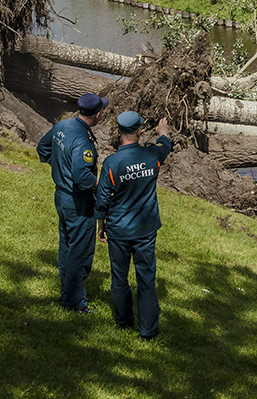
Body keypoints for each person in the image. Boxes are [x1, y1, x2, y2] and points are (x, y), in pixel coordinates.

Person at [96, 111, 172, 340]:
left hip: (118, 229)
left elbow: (102, 199)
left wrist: (101, 224)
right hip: (145, 229)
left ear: (118, 131)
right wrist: (163, 133)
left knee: (119, 277)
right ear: (139, 131)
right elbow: (165, 146)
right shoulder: (153, 155)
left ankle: (124, 321)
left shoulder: (112, 163)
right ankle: (147, 331)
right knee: (146, 278)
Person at [37, 92, 108, 313]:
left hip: (61, 196)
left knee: (67, 246)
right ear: (97, 114)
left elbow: (43, 148)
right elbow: (83, 178)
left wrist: (60, 168)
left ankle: (67, 294)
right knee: (80, 252)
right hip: (78, 202)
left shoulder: (62, 126)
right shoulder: (83, 141)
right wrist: (102, 186)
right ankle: (75, 303)